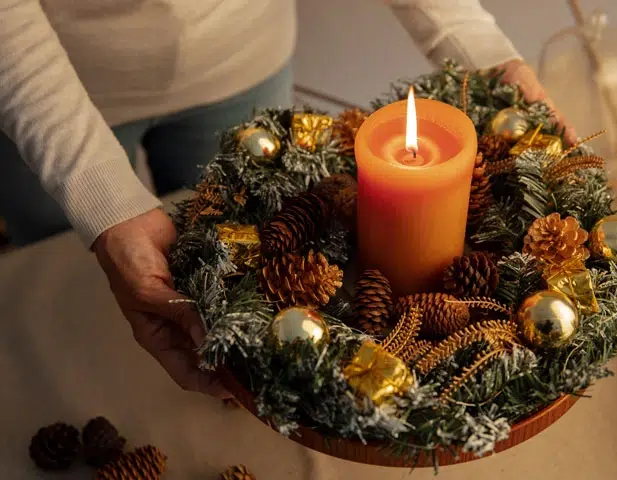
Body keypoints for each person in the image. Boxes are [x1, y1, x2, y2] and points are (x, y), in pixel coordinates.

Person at [0, 0, 575, 399]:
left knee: (224, 287)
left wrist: (485, 54)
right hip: (43, 98)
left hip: (243, 69)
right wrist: (101, 200)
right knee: (55, 298)